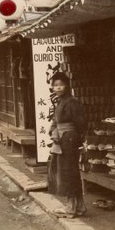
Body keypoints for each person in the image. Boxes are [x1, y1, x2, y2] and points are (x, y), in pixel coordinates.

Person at [47, 72, 87, 218]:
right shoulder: (61, 101)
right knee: (69, 171)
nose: (58, 88)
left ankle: (71, 208)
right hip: (63, 138)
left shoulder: (71, 102)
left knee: (69, 172)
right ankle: (80, 206)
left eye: (61, 85)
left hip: (69, 139)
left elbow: (81, 123)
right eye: (55, 85)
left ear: (67, 86)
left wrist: (78, 139)